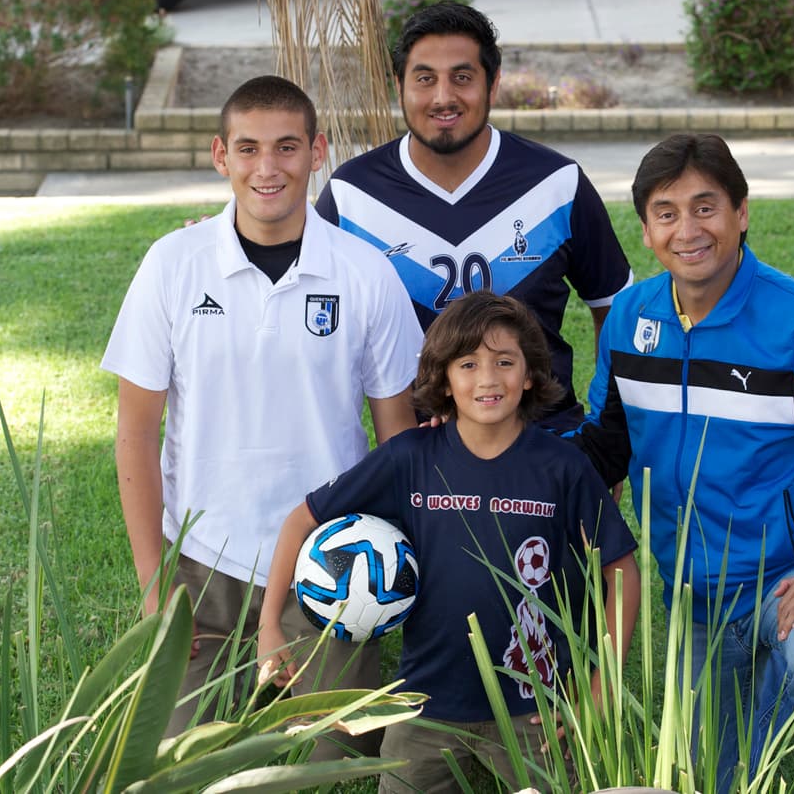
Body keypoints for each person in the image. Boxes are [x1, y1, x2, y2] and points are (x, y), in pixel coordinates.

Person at [573, 133, 794, 793]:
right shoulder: (630, 320)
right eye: (666, 212)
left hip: (793, 579)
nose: (688, 229)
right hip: (693, 597)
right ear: (648, 230)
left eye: (706, 207)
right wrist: (495, 460)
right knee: (714, 774)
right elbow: (606, 442)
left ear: (741, 213)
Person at [101, 75, 423, 745]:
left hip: (327, 557)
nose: (267, 168)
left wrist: (392, 559)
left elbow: (400, 436)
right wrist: (153, 581)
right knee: (179, 761)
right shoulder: (172, 264)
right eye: (248, 149)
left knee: (331, 758)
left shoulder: (364, 273)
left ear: (316, 151)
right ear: (221, 156)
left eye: (286, 147)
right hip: (201, 554)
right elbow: (135, 432)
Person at [257, 291, 641, 793]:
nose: (487, 378)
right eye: (468, 364)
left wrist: (600, 686)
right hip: (423, 707)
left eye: (504, 362)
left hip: (535, 710)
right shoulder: (410, 458)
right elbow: (300, 521)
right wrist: (269, 625)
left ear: (528, 375)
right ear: (444, 379)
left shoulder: (562, 468)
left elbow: (622, 570)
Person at [315, 2, 633, 432]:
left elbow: (614, 308)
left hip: (547, 453)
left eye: (462, 78)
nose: (443, 97)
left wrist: (607, 433)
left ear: (493, 83)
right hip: (420, 463)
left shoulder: (556, 183)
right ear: (399, 85)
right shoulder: (352, 195)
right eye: (425, 79)